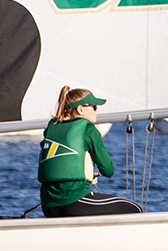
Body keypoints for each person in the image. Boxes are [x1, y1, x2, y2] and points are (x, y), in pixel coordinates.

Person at [39, 86, 142, 217]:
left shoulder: (51, 127)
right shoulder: (88, 129)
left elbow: (60, 163)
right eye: (93, 106)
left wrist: (86, 173)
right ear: (80, 109)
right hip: (75, 202)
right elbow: (108, 170)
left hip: (48, 206)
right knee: (135, 209)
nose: (96, 110)